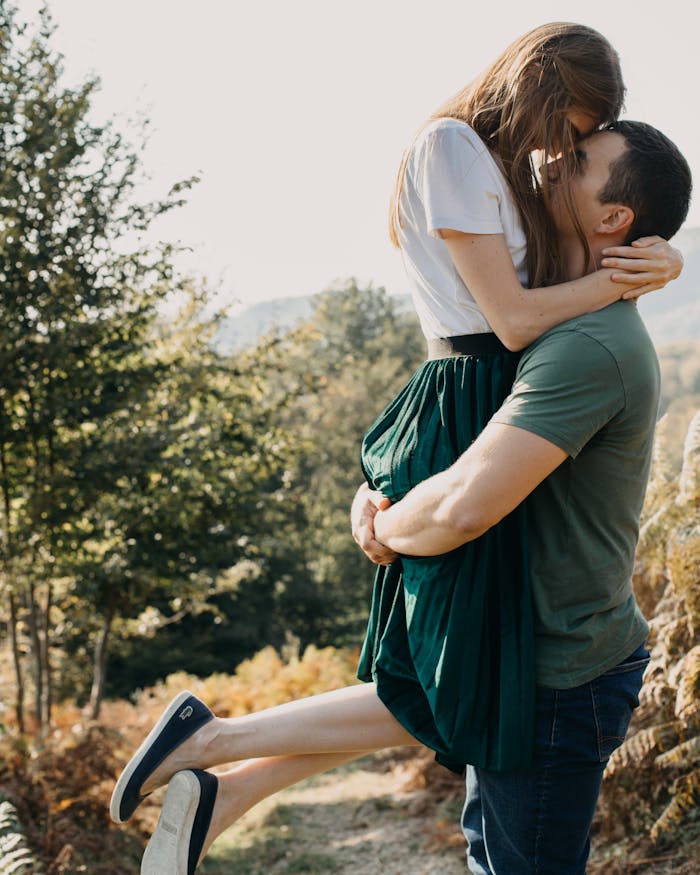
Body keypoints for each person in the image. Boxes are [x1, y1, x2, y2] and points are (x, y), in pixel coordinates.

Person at [109, 22, 684, 872]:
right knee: (429, 678)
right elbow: (509, 320)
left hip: (498, 474)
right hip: (469, 412)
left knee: (429, 682)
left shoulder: (583, 327)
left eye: (578, 151)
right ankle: (221, 759)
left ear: (612, 213)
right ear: (546, 92)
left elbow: (516, 339)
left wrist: (651, 260)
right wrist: (395, 498)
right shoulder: (460, 152)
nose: (558, 157)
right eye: (571, 133)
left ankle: (227, 768)